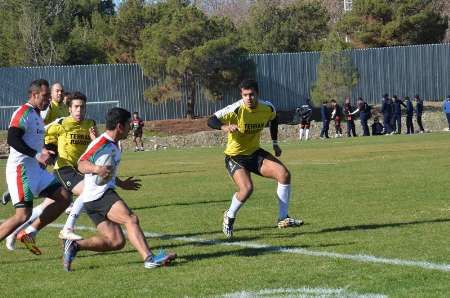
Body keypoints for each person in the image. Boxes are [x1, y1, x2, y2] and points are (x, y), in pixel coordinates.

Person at [62, 107, 176, 271]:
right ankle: (149, 259)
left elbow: (108, 172)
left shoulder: (113, 145)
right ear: (119, 126)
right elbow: (81, 163)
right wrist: (95, 169)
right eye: (128, 124)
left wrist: (122, 184)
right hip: (99, 196)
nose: (130, 127)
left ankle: (74, 245)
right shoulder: (101, 144)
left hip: (91, 200)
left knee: (116, 242)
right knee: (131, 219)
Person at [207, 79, 303, 239]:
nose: (249, 98)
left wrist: (275, 143)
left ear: (257, 94)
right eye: (245, 95)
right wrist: (224, 127)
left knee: (284, 174)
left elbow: (274, 119)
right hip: (235, 156)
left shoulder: (267, 108)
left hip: (254, 153)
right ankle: (229, 216)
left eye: (251, 94)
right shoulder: (236, 109)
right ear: (241, 95)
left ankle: (283, 218)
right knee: (247, 189)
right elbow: (211, 120)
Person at [4, 92, 98, 252]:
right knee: (88, 191)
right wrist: (45, 151)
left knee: (44, 207)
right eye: (76, 107)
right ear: (69, 109)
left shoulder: (91, 124)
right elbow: (41, 134)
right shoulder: (61, 123)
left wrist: (95, 140)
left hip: (79, 169)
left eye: (82, 107)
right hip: (64, 168)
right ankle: (67, 229)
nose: (79, 110)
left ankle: (22, 232)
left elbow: (96, 149)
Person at [0, 79, 71, 254]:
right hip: (21, 171)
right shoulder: (23, 112)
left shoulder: (37, 115)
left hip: (36, 171)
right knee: (22, 215)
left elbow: (32, 141)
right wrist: (37, 154)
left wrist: (44, 151)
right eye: (45, 96)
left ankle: (30, 232)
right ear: (34, 95)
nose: (48, 100)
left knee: (64, 196)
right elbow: (12, 139)